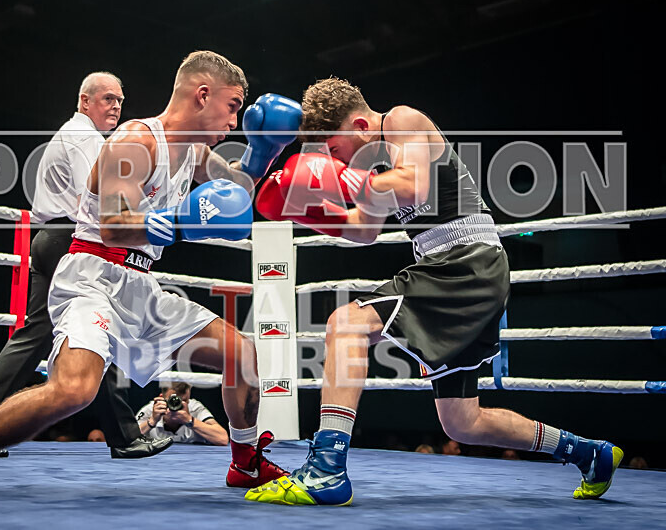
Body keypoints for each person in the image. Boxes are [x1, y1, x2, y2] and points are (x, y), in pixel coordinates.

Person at [0, 50, 302, 497]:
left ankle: (245, 463)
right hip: (91, 277)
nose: (234, 122)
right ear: (202, 94)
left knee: (243, 356)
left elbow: (235, 192)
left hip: (140, 284)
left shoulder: (192, 149)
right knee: (74, 390)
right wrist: (181, 221)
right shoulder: (137, 140)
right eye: (232, 107)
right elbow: (113, 225)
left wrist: (265, 149)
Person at [248, 77, 623, 506]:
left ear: (359, 127)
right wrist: (307, 211)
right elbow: (364, 231)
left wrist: (336, 177)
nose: (333, 159)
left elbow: (414, 187)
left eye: (334, 149)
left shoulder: (403, 121)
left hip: (466, 261)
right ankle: (590, 453)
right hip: (450, 266)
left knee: (345, 323)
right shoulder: (372, 168)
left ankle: (327, 470)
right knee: (463, 423)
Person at [0, 72, 171, 460]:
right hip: (71, 241)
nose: (116, 106)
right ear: (84, 101)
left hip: (56, 239)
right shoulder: (85, 138)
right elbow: (100, 196)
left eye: (120, 100)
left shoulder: (78, 134)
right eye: (107, 99)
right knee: (89, 334)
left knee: (55, 336)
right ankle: (122, 436)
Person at [137, 382, 228, 446]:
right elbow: (127, 439)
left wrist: (190, 421)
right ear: (162, 397)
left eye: (184, 401)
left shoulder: (194, 408)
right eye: (172, 401)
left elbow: (222, 438)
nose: (178, 405)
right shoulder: (151, 410)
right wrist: (151, 421)